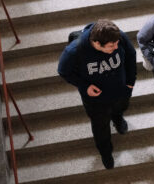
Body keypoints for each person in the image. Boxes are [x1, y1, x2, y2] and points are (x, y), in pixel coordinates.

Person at [58, 19, 137, 169]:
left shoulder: (117, 37)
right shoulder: (74, 51)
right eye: (111, 46)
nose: (116, 47)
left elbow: (131, 55)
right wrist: (84, 86)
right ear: (96, 43)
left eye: (116, 43)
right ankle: (106, 152)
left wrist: (130, 83)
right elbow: (63, 71)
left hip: (120, 90)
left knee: (120, 108)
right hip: (96, 100)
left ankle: (118, 119)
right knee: (101, 127)